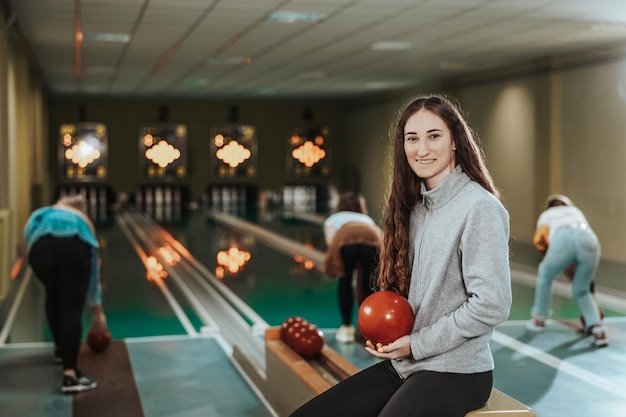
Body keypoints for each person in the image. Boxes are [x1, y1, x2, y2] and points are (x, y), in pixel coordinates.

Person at [290, 95, 511, 417]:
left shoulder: (480, 208)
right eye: (412, 138)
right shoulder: (416, 207)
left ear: (455, 143)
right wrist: (390, 335)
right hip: (407, 365)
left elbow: (491, 304)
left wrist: (417, 343)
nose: (422, 149)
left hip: (458, 372)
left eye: (434, 136)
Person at [24, 194, 107, 393]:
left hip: (39, 250)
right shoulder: (82, 220)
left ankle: (61, 350)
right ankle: (70, 376)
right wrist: (97, 312)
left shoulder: (44, 213)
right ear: (81, 209)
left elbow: (28, 234)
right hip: (73, 247)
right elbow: (93, 267)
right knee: (71, 307)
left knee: (52, 292)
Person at [526, 194, 607, 347]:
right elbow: (580, 239)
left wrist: (552, 259)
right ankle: (598, 329)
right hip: (589, 240)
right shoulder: (576, 211)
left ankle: (539, 319)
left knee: (545, 274)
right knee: (582, 289)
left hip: (562, 239)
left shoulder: (547, 214)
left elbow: (540, 241)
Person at [323, 192, 382, 343]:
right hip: (372, 239)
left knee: (345, 280)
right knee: (370, 284)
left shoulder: (333, 219)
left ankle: (347, 329)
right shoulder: (365, 219)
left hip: (344, 239)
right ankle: (369, 329)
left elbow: (332, 241)